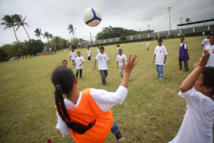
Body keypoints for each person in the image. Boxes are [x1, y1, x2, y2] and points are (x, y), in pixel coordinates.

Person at [51, 53, 138, 142]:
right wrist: (127, 72)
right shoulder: (90, 95)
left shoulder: (60, 107)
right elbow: (118, 97)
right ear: (75, 81)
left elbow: (64, 131)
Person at [169, 49, 214, 143]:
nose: (193, 81)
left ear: (208, 88)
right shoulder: (209, 101)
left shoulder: (202, 101)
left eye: (197, 79)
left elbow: (184, 88)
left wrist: (199, 68)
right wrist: (197, 71)